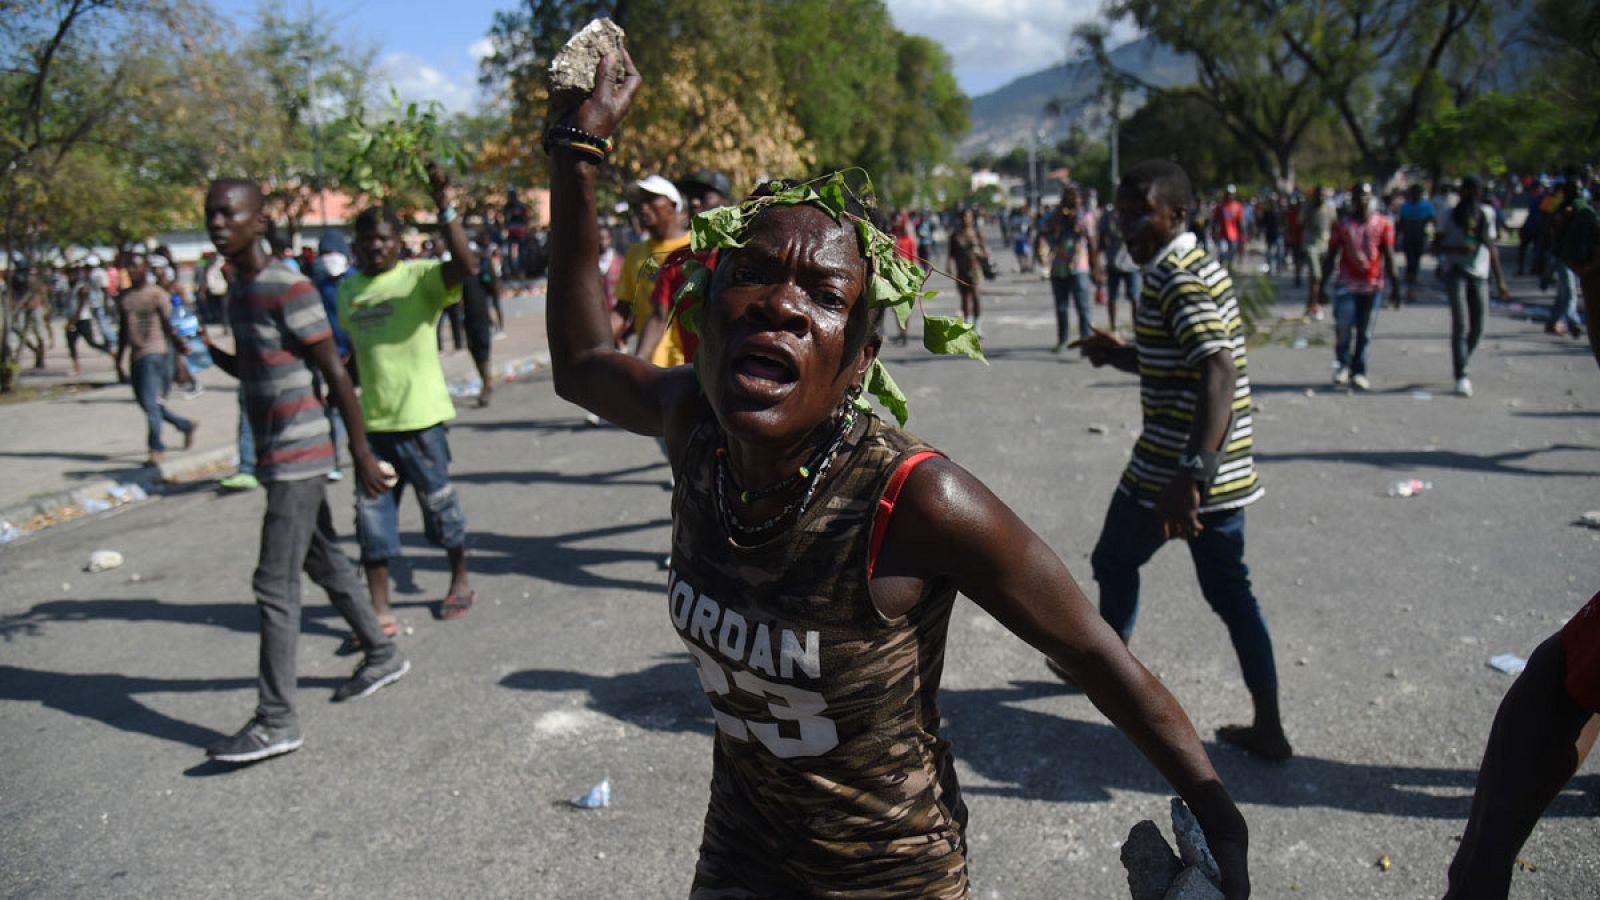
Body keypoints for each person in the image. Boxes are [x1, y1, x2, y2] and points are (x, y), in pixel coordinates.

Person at [542, 51, 1252, 900]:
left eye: (824, 293)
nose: (780, 304)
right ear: (705, 310)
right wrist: (575, 151)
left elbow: (1096, 657)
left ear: (860, 358)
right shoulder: (693, 426)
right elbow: (583, 360)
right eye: (753, 274)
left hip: (889, 877)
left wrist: (1221, 818)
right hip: (739, 852)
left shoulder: (912, 499)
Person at [1069, 159, 1291, 766]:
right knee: (1229, 593)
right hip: (1215, 470)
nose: (1126, 225)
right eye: (1121, 212)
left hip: (1176, 473)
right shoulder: (1186, 265)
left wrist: (1191, 476)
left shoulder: (1176, 276)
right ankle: (1269, 726)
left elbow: (1218, 368)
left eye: (1141, 211)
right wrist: (1118, 356)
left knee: (1114, 559)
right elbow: (1184, 358)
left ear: (1179, 214)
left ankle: (1106, 673)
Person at [198, 178, 409, 763]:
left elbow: (336, 372)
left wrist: (362, 452)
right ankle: (383, 653)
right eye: (210, 214)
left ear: (258, 221)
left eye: (228, 214)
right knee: (324, 558)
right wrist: (206, 350)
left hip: (301, 452)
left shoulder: (288, 287)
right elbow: (256, 367)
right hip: (275, 453)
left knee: (273, 582)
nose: (217, 223)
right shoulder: (239, 290)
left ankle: (275, 719)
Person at [339, 165, 479, 631]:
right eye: (367, 239)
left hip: (421, 424)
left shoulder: (421, 277)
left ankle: (459, 579)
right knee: (372, 520)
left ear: (398, 239)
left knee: (440, 508)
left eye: (383, 237)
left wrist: (446, 207)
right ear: (356, 244)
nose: (375, 246)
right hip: (373, 430)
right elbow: (356, 357)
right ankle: (378, 610)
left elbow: (466, 266)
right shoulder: (348, 290)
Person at [113, 252, 197, 465]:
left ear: (145, 270)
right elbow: (123, 332)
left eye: (135, 266)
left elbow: (172, 326)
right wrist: (118, 361)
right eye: (129, 267)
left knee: (151, 403)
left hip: (156, 353)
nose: (132, 271)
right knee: (146, 403)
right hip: (136, 355)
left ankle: (156, 447)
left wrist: (179, 357)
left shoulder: (157, 295)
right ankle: (184, 424)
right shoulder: (126, 298)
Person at [1435, 176, 1510, 397]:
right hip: (1455, 272)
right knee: (1461, 323)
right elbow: (1436, 246)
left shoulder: (1487, 214)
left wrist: (1500, 281)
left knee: (1478, 326)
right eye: (1470, 191)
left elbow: (1491, 246)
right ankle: (1461, 374)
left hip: (1479, 274)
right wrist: (1456, 249)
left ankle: (1463, 357)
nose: (1473, 196)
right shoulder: (1448, 215)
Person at [1321, 183, 1399, 391]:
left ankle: (1360, 371)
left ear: (1371, 198)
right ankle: (1342, 364)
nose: (1362, 200)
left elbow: (1389, 255)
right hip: (1346, 284)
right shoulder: (1342, 225)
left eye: (1366, 196)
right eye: (1358, 196)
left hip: (1372, 285)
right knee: (1344, 326)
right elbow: (1331, 256)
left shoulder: (1383, 223)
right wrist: (1320, 285)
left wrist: (1396, 287)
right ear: (1352, 199)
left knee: (1365, 332)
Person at [618, 175, 692, 365]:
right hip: (652, 367)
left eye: (652, 199)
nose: (643, 207)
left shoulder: (698, 249)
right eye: (640, 202)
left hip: (692, 367)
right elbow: (623, 308)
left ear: (674, 206)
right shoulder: (635, 254)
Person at [1038, 185, 1101, 351]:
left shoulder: (1085, 216)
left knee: (1083, 307)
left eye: (1075, 196)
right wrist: (1059, 214)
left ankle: (1086, 341)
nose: (1072, 200)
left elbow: (1092, 242)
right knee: (1061, 307)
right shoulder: (1056, 215)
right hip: (1058, 266)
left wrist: (1096, 268)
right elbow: (1043, 229)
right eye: (1069, 196)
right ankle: (1063, 339)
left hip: (1079, 267)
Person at [1098, 197, 1140, 332]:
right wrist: (1100, 259)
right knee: (1112, 296)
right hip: (1113, 260)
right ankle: (1113, 327)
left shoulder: (1134, 214)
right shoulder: (1109, 215)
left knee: (1135, 297)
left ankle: (1136, 327)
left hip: (1131, 261)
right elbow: (1101, 237)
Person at [947, 208, 988, 334]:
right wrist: (949, 265)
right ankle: (968, 323)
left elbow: (985, 254)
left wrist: (978, 253)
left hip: (975, 269)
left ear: (972, 218)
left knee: (976, 296)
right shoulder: (956, 234)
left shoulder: (977, 233)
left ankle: (978, 325)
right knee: (964, 297)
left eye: (968, 216)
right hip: (962, 269)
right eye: (963, 216)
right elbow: (951, 253)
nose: (966, 219)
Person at [1395, 184, 1436, 307]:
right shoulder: (1405, 206)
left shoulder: (1426, 205)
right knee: (1410, 263)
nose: (1415, 195)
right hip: (1409, 239)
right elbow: (1400, 224)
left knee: (1415, 263)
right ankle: (1410, 289)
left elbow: (1433, 219)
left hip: (1420, 238)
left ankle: (1411, 287)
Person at [1300, 187, 1336, 320]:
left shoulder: (1329, 209)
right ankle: (1314, 305)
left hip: (1325, 246)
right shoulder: (1308, 208)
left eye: (1323, 195)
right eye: (1318, 195)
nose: (1321, 198)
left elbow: (1334, 224)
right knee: (1316, 275)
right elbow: (1301, 223)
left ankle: (1312, 302)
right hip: (1311, 246)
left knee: (1320, 277)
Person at [1212, 186, 1245, 271]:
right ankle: (1220, 270)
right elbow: (1215, 221)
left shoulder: (1238, 206)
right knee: (1223, 252)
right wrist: (1213, 232)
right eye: (1228, 194)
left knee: (1231, 255)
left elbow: (1240, 222)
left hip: (1234, 236)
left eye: (1232, 194)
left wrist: (1242, 235)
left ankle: (1230, 271)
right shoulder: (1221, 206)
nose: (1230, 196)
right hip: (1223, 235)